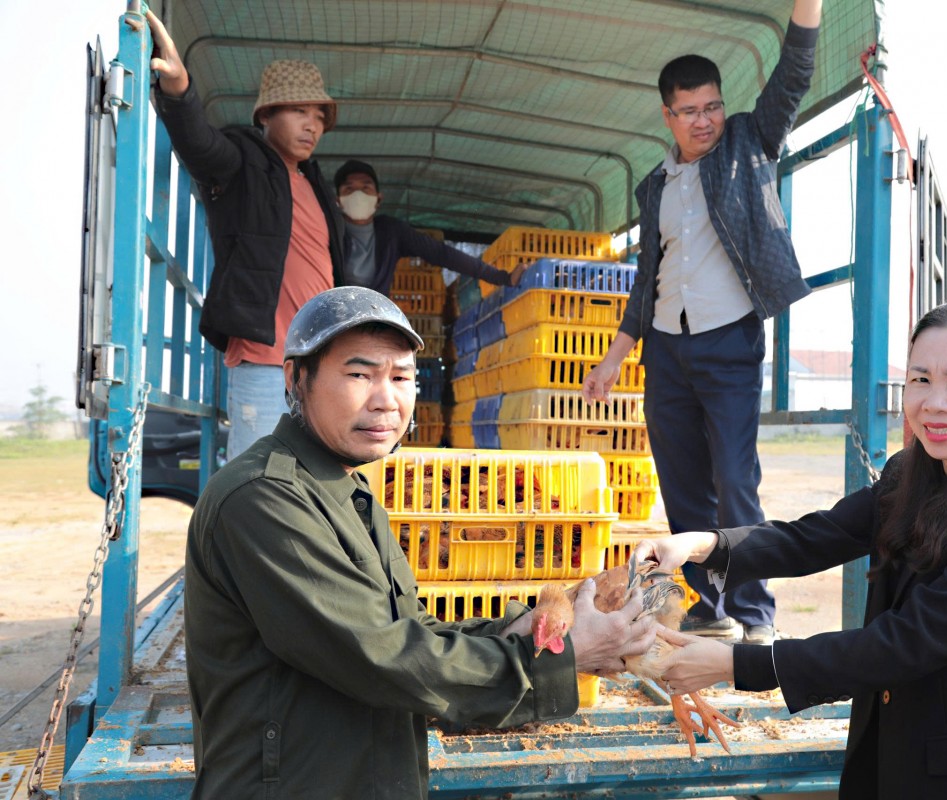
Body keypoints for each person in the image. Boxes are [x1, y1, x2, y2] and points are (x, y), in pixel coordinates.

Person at [184, 286, 658, 798]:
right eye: (360, 374)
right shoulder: (263, 498)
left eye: (401, 377)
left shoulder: (348, 488)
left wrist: (516, 631)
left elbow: (410, 629)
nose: (386, 399)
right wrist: (560, 660)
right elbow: (378, 654)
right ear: (296, 379)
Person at [638, 299, 947, 800]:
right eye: (920, 380)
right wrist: (703, 544)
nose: (935, 402)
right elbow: (815, 536)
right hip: (899, 755)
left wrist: (736, 664)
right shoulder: (909, 472)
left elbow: (904, 643)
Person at [581, 0, 823, 646]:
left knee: (736, 482)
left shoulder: (748, 143)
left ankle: (756, 614)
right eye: (689, 111)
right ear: (668, 115)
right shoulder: (655, 187)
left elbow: (793, 77)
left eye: (712, 106)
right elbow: (646, 282)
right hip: (665, 351)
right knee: (683, 485)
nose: (704, 120)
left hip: (730, 343)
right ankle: (710, 606)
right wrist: (614, 358)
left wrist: (808, 9)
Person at [147, 11, 346, 460]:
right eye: (299, 111)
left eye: (319, 116)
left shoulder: (316, 184)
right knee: (254, 481)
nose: (313, 125)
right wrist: (179, 87)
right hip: (265, 360)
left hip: (319, 364)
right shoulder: (244, 161)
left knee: (309, 481)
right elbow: (201, 146)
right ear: (266, 114)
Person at [334, 159, 525, 294]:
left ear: (378, 199)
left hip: (373, 317)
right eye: (349, 188)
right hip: (331, 316)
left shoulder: (391, 231)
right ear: (337, 201)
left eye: (366, 187)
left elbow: (442, 253)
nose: (358, 194)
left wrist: (502, 278)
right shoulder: (329, 231)